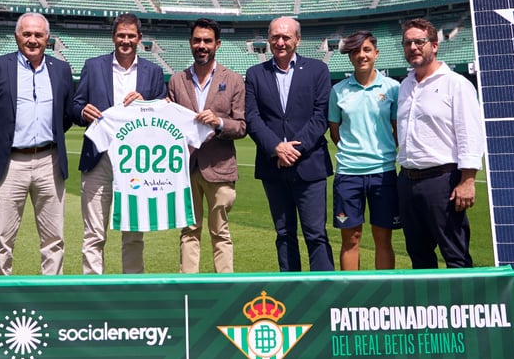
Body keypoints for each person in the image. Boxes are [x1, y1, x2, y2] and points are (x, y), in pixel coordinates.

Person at [0, 12, 75, 275]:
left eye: (38, 35)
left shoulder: (61, 70)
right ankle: (0, 298)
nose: (33, 40)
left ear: (48, 39)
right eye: (27, 34)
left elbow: (64, 117)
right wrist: (5, 140)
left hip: (49, 161)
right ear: (16, 36)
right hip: (10, 163)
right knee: (1, 241)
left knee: (54, 240)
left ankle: (52, 297)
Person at [72, 13, 166, 274]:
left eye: (131, 36)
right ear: (113, 37)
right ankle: (93, 290)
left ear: (140, 38)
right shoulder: (93, 66)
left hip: (136, 163)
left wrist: (147, 101)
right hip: (98, 158)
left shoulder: (153, 72)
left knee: (134, 233)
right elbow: (76, 106)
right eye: (121, 35)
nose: (126, 40)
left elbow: (162, 111)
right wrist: (82, 112)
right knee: (94, 233)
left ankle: (132, 287)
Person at [244, 16, 335, 271]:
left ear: (297, 39)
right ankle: (291, 292)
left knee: (316, 234)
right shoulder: (255, 74)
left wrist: (294, 148)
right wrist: (276, 147)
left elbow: (321, 116)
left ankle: (324, 293)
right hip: (274, 167)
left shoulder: (318, 70)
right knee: (284, 233)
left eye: (286, 37)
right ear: (269, 39)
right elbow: (252, 117)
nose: (280, 42)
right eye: (275, 37)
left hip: (309, 165)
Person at [395, 18, 486, 269]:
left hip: (442, 181)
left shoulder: (456, 84)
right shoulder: (405, 86)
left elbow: (470, 132)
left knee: (454, 254)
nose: (413, 47)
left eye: (419, 42)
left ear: (434, 46)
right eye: (408, 43)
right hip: (408, 180)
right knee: (418, 256)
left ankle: (462, 306)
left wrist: (467, 180)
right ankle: (429, 307)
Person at [166, 18, 246, 273]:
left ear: (217, 44)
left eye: (207, 41)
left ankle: (224, 287)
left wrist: (219, 122)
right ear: (190, 43)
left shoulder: (233, 80)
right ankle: (189, 286)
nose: (202, 45)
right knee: (189, 230)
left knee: (220, 231)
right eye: (197, 40)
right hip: (185, 168)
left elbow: (242, 126)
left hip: (219, 167)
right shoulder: (177, 81)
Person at [328, 31, 401, 270]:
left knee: (383, 238)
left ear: (376, 53)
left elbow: (396, 129)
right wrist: (355, 153)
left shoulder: (393, 88)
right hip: (348, 174)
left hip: (384, 172)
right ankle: (352, 298)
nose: (362, 55)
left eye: (367, 50)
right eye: (356, 51)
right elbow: (335, 132)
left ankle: (384, 296)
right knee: (351, 239)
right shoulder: (338, 91)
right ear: (350, 57)